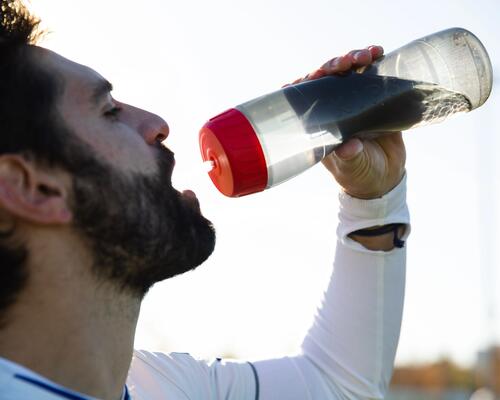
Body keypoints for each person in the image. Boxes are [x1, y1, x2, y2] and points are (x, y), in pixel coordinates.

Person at [0, 1, 409, 399]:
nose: (157, 125)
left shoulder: (160, 385)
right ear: (32, 187)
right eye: (109, 111)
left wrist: (372, 200)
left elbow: (338, 386)